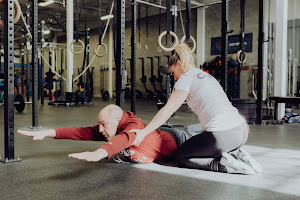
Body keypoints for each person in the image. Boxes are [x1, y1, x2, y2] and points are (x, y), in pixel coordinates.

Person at [129, 42, 262, 174]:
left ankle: (222, 165)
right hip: (242, 132)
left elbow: (168, 109)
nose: (174, 77)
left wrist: (144, 132)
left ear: (179, 64)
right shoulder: (205, 75)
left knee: (182, 156)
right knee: (201, 136)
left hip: (223, 137)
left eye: (173, 72)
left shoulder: (186, 77)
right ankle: (236, 154)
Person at [18, 104, 256, 175]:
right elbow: (81, 131)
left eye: (104, 124)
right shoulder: (110, 128)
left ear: (118, 118)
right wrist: (47, 132)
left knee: (214, 132)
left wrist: (99, 153)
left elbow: (126, 139)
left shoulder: (133, 127)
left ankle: (236, 144)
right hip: (173, 138)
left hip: (181, 138)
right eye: (99, 124)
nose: (100, 129)